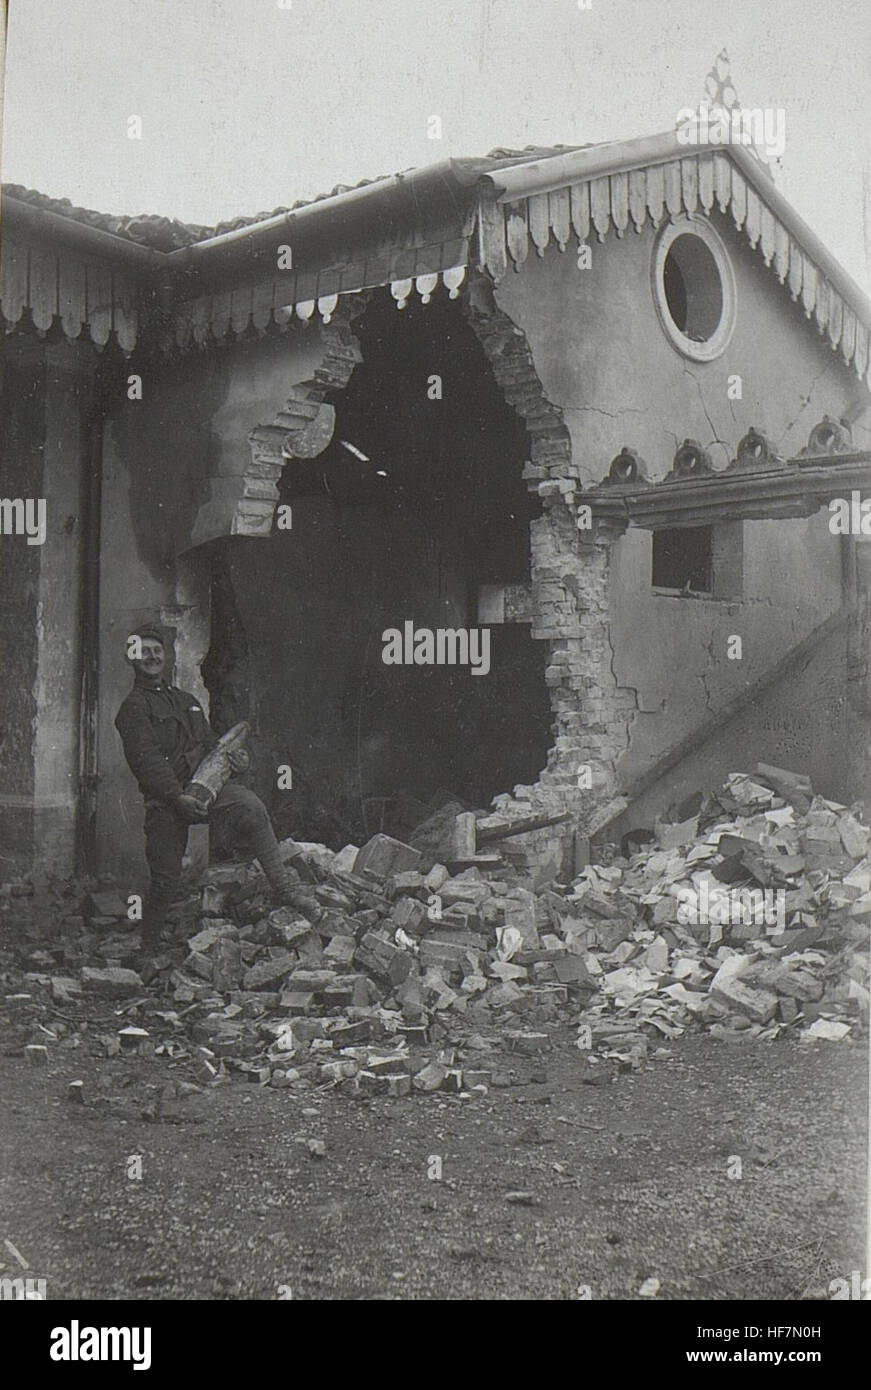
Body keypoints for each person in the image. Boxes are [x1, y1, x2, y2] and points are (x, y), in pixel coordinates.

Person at [115, 624, 314, 970]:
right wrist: (177, 798)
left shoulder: (187, 702)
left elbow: (210, 748)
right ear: (131, 658)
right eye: (143, 651)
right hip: (166, 800)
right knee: (166, 879)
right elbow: (145, 761)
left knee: (250, 805)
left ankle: (285, 889)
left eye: (156, 650)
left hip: (205, 789)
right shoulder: (133, 708)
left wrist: (238, 763)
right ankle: (148, 949)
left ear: (166, 656)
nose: (151, 656)